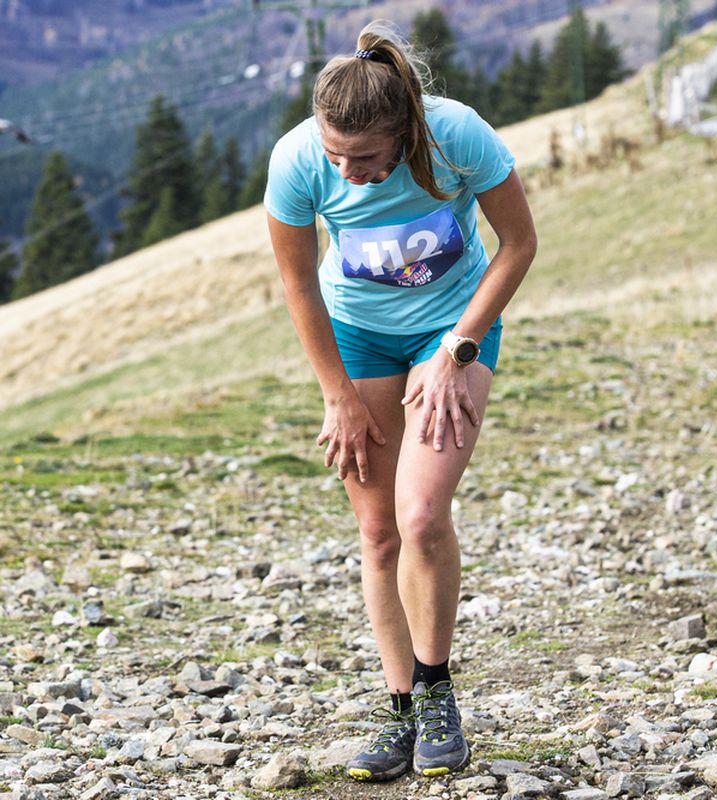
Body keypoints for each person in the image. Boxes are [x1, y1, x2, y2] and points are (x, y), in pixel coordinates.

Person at [265, 20, 537, 783]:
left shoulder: (456, 136)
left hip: (452, 330)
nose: (346, 172)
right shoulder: (297, 159)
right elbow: (297, 283)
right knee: (380, 531)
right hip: (357, 340)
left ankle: (437, 691)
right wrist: (337, 396)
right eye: (334, 155)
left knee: (421, 514)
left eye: (364, 158)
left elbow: (518, 244)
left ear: (403, 130)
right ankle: (399, 710)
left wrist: (457, 349)